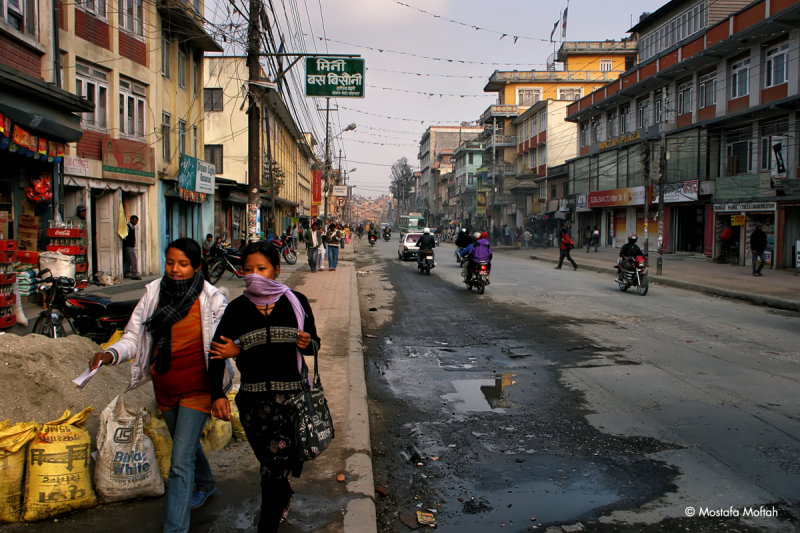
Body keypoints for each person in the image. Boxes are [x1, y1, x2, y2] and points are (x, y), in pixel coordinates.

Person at [89, 238, 232, 533]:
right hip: (164, 387)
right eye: (170, 262)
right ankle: (206, 483)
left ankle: (175, 528)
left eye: (182, 264)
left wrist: (219, 390)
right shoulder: (154, 294)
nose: (175, 269)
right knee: (186, 444)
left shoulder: (212, 300)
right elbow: (133, 336)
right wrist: (111, 353)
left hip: (198, 389)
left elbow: (222, 347)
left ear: (197, 267)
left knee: (179, 463)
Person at [207, 241, 320, 533]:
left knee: (273, 468)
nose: (254, 275)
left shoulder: (296, 302)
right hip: (253, 403)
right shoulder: (237, 309)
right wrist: (216, 395)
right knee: (270, 464)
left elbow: (314, 344)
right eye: (248, 270)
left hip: (291, 401)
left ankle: (267, 524)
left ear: (277, 270)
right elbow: (217, 352)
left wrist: (309, 343)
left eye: (262, 269)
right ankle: (281, 495)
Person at [123, 215, 141, 280]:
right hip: (128, 246)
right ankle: (134, 274)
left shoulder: (132, 227)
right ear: (132, 220)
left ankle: (125, 272)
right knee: (133, 260)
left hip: (129, 246)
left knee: (127, 261)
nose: (136, 222)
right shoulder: (128, 226)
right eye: (135, 221)